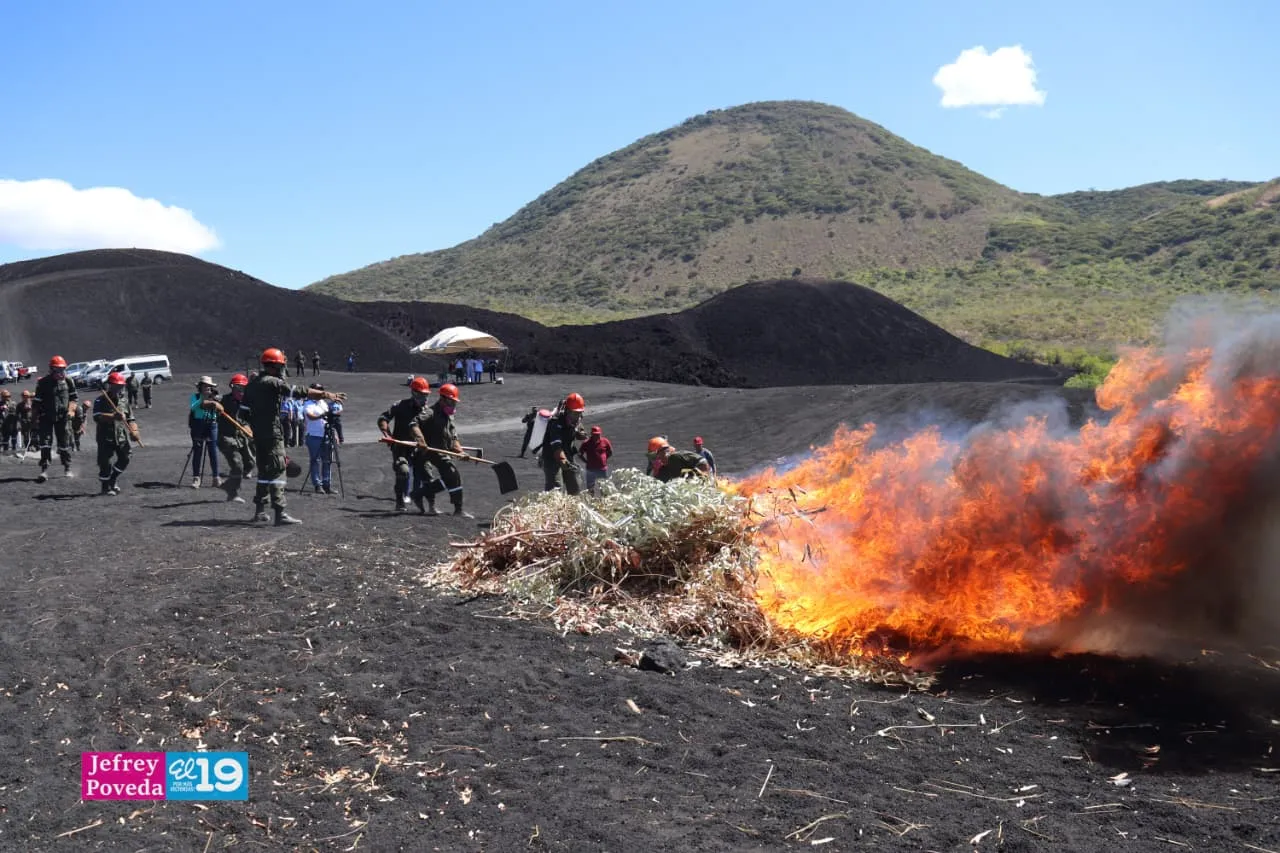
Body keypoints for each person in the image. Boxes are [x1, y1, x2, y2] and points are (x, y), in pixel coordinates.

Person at [244, 349, 307, 525]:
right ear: (275, 366)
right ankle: (280, 513)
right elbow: (294, 391)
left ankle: (260, 511)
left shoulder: (253, 384)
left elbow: (244, 413)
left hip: (258, 434)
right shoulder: (273, 382)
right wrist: (326, 394)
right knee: (279, 469)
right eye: (281, 366)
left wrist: (256, 424)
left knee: (264, 471)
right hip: (273, 434)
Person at [416, 383, 473, 517]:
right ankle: (457, 510)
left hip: (442, 450)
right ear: (442, 399)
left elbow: (453, 438)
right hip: (428, 451)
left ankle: (419, 494)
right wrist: (420, 440)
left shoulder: (449, 416)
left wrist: (460, 452)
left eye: (454, 402)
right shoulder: (430, 412)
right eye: (451, 402)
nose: (453, 405)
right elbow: (414, 423)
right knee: (451, 474)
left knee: (452, 477)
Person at [377, 376, 433, 512]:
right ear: (414, 393)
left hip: (420, 448)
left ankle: (431, 505)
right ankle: (399, 500)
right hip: (401, 446)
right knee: (403, 471)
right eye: (421, 395)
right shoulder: (400, 406)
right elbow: (383, 418)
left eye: (426, 395)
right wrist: (387, 434)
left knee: (427, 474)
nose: (424, 398)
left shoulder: (428, 411)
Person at [32, 355, 78, 482]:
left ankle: (67, 468)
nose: (61, 372)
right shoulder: (43, 383)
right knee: (45, 443)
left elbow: (74, 398)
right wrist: (34, 421)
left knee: (64, 443)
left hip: (63, 417)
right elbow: (36, 403)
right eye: (58, 369)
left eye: (63, 369)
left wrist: (71, 410)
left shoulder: (69, 381)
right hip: (46, 417)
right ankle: (44, 470)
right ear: (51, 369)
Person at [93, 372, 139, 496]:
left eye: (121, 386)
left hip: (121, 436)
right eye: (116, 386)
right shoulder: (100, 400)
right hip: (105, 436)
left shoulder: (124, 401)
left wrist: (134, 431)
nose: (119, 389)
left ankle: (113, 479)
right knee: (105, 462)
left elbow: (131, 419)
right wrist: (113, 416)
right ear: (110, 386)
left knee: (125, 458)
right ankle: (105, 487)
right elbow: (96, 417)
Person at [215, 373, 255, 503]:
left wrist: (249, 427)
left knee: (250, 463)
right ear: (232, 388)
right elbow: (204, 402)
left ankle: (228, 485)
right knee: (237, 465)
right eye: (237, 388)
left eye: (242, 388)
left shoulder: (247, 403)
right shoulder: (223, 400)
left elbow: (248, 419)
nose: (240, 391)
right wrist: (213, 403)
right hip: (226, 438)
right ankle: (232, 493)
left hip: (242, 437)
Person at [541, 393, 587, 495]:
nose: (577, 416)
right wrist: (563, 460)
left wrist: (581, 435)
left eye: (579, 413)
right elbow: (556, 446)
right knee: (555, 489)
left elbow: (579, 431)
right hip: (552, 458)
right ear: (567, 411)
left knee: (575, 486)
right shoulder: (556, 423)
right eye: (574, 413)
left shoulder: (577, 420)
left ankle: (573, 508)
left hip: (568, 455)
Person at [188, 376, 221, 488]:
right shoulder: (195, 397)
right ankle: (196, 478)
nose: (207, 387)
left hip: (212, 425)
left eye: (209, 386)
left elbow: (222, 409)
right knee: (197, 451)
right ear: (200, 387)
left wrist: (215, 403)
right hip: (198, 425)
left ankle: (216, 478)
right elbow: (193, 407)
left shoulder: (215, 398)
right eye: (205, 385)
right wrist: (204, 400)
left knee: (213, 452)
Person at [302, 382, 333, 494]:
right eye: (318, 389)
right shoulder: (308, 403)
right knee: (315, 460)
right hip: (314, 435)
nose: (320, 391)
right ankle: (317, 484)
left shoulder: (323, 403)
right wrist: (322, 415)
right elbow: (310, 416)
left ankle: (327, 484)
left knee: (328, 460)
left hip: (326, 434)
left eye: (321, 389)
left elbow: (329, 417)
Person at [579, 425, 613, 495]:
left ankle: (605, 501)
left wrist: (604, 459)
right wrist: (585, 461)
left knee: (604, 487)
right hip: (590, 469)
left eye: (598, 434)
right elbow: (580, 454)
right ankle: (591, 502)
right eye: (595, 434)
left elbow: (610, 452)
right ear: (591, 434)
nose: (596, 436)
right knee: (590, 487)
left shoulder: (605, 441)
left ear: (600, 434)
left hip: (602, 469)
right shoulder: (586, 443)